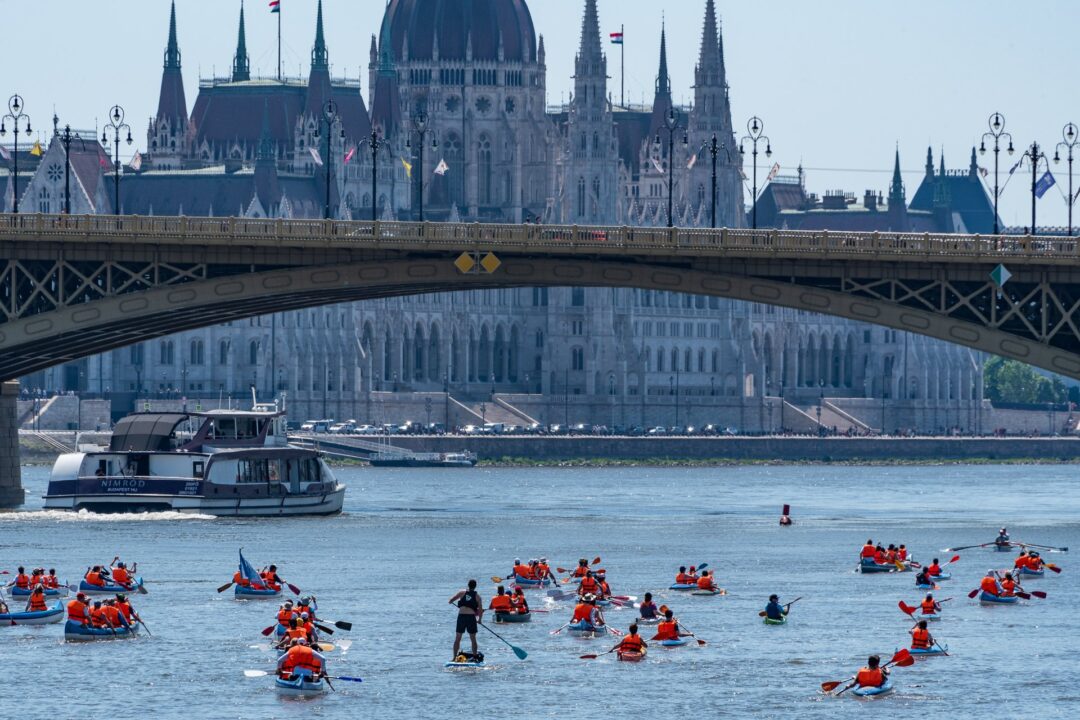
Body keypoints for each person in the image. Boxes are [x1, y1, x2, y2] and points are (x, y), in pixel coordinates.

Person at [448, 579, 483, 660]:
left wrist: (450, 601)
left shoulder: (461, 592)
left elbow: (451, 600)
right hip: (471, 618)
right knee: (473, 638)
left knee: (458, 638)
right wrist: (480, 619)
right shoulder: (478, 597)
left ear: (468, 585)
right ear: (475, 586)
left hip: (461, 617)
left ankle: (454, 657)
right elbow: (480, 610)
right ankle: (474, 657)